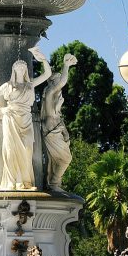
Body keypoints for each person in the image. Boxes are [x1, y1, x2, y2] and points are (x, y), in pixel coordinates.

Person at [0, 48, 51, 190]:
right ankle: (12, 182)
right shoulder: (8, 86)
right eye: (18, 68)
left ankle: (25, 182)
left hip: (26, 119)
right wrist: (1, 109)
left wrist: (42, 58)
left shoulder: (30, 85)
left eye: (23, 67)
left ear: (26, 70)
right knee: (10, 150)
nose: (21, 70)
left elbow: (48, 74)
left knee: (27, 149)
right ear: (14, 70)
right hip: (11, 118)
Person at [41, 53, 77, 191]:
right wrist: (66, 66)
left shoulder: (54, 95)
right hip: (51, 128)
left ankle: (53, 182)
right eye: (57, 79)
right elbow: (63, 82)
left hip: (55, 127)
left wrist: (64, 131)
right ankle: (55, 183)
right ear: (53, 82)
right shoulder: (50, 92)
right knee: (66, 159)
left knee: (57, 160)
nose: (60, 83)